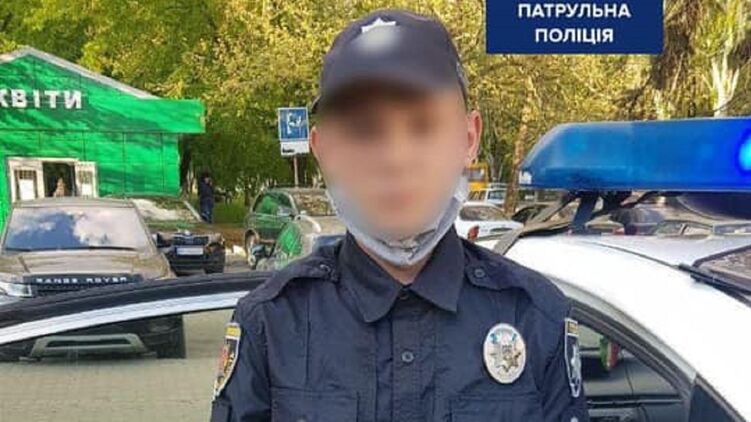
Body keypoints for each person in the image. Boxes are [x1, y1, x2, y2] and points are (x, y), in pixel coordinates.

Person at [210, 9, 589, 422]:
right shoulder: (270, 324)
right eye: (365, 132)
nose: (395, 158)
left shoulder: (535, 316)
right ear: (323, 150)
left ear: (468, 138)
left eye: (423, 127)